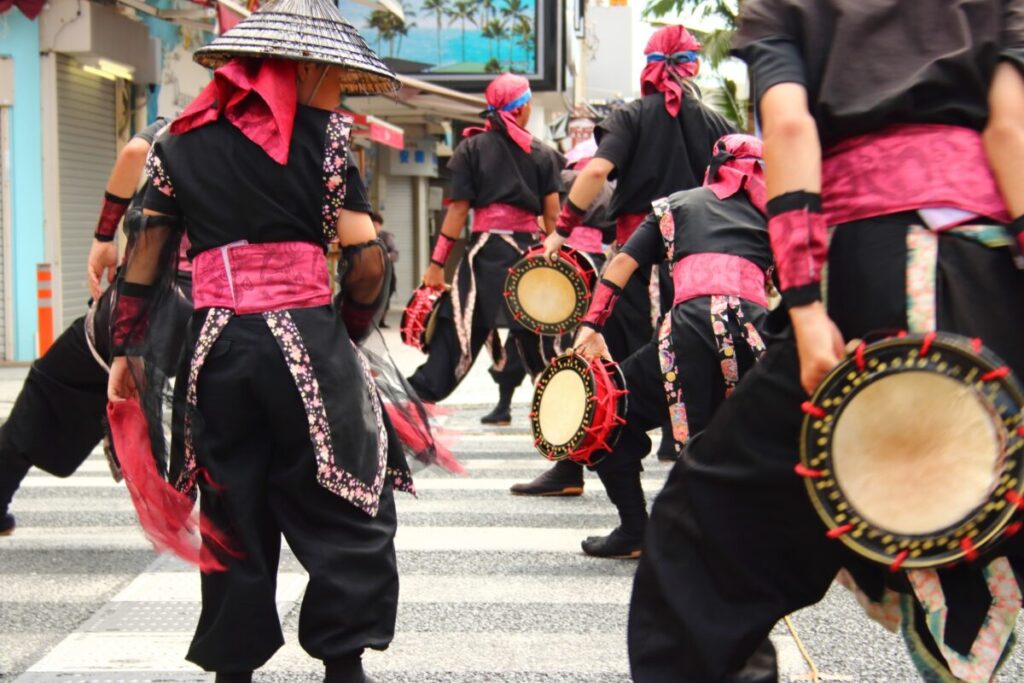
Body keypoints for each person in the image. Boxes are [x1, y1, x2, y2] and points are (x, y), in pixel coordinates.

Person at [627, 1, 1024, 681]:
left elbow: (787, 126)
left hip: (868, 273)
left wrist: (807, 308)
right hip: (989, 266)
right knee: (968, 517)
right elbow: (1011, 129)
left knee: (701, 547)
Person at [105, 0, 411, 680]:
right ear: (299, 69)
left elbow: (143, 262)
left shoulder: (176, 143)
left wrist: (126, 350)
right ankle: (343, 666)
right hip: (309, 342)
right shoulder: (328, 138)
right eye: (329, 73)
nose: (335, 86)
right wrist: (348, 332)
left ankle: (233, 668)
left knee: (232, 507)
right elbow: (365, 263)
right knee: (343, 501)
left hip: (216, 353)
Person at [515, 24, 735, 496]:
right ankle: (684, 463)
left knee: (597, 360)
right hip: (695, 262)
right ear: (692, 65)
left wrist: (562, 229)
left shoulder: (631, 116)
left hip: (632, 261)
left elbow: (596, 169)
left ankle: (573, 469)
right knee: (691, 358)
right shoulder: (717, 125)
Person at [571, 134, 772, 559]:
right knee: (760, 436)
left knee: (605, 414)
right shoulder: (776, 217)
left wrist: (592, 324)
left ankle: (634, 529)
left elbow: (623, 262)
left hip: (685, 336)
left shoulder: (677, 205)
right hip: (756, 339)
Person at [0, 116, 185, 537]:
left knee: (49, 383)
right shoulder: (281, 144)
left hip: (146, 302)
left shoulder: (185, 128)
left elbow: (136, 151)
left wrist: (104, 236)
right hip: (226, 311)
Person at [406, 73, 561, 417]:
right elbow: (553, 219)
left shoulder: (471, 149)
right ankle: (568, 431)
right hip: (529, 265)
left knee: (453, 345)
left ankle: (402, 416)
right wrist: (561, 266)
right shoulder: (543, 154)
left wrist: (435, 265)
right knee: (545, 354)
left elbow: (458, 212)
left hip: (481, 264)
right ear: (523, 109)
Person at [370, 211, 398, 327]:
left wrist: (386, 256)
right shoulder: (365, 236)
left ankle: (382, 319)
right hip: (371, 271)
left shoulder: (387, 236)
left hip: (387, 270)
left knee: (387, 293)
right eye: (372, 225)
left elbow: (395, 253)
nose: (375, 228)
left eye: (377, 225)